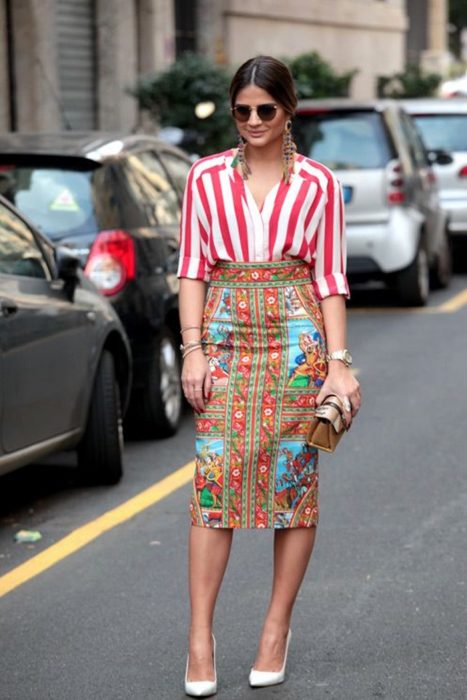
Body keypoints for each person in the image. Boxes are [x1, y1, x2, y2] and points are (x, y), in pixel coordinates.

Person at [178, 55, 361, 697]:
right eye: (242, 110)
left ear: (288, 111)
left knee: (292, 483)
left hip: (294, 340)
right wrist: (193, 350)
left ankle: (275, 629)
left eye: (266, 110)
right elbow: (193, 269)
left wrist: (338, 366)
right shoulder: (203, 178)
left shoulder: (317, 183)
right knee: (216, 483)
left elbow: (331, 280)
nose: (253, 121)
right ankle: (200, 638)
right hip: (224, 337)